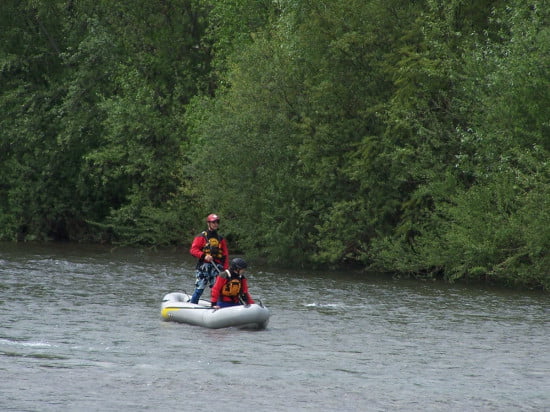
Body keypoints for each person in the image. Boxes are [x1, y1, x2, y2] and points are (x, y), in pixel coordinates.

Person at [189, 213, 229, 304]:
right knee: (199, 289)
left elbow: (225, 255)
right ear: (208, 223)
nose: (215, 224)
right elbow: (193, 250)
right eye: (213, 222)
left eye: (217, 222)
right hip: (204, 267)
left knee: (216, 290)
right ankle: (193, 305)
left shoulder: (220, 239)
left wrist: (226, 270)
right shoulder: (201, 237)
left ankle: (215, 307)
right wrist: (204, 256)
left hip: (217, 267)